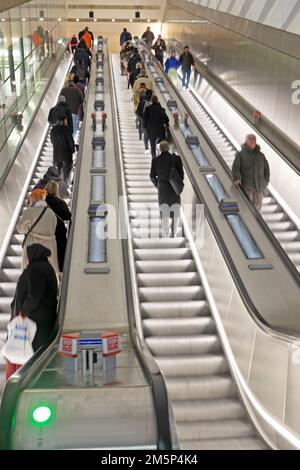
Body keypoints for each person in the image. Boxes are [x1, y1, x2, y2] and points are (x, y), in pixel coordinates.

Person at [6, 244, 58, 381]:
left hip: (34, 321)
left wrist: (24, 311)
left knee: (27, 356)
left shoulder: (36, 269)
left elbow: (35, 293)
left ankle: (22, 382)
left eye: (27, 256)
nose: (27, 259)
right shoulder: (48, 268)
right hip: (44, 320)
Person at [17, 190, 59, 274]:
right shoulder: (52, 214)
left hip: (33, 248)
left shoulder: (29, 212)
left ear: (33, 199)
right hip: (50, 248)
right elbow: (53, 229)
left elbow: (20, 229)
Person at [150, 141, 184, 238]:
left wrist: (158, 185)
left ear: (160, 149)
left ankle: (166, 233)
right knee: (175, 210)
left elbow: (152, 176)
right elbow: (181, 174)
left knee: (164, 210)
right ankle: (173, 233)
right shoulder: (176, 159)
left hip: (163, 188)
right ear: (168, 148)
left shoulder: (155, 161)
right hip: (174, 188)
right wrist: (178, 183)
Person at [232, 134, 270, 212]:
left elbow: (267, 170)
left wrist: (265, 183)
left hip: (259, 189)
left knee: (257, 211)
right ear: (246, 141)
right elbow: (235, 168)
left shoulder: (261, 156)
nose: (252, 141)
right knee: (246, 209)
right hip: (247, 188)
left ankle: (255, 223)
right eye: (250, 139)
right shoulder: (240, 155)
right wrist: (237, 178)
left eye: (254, 139)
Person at [45, 181, 71, 272]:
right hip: (59, 234)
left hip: (46, 233)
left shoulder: (41, 203)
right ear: (56, 190)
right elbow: (68, 216)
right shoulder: (60, 202)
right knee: (60, 255)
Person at [50, 117, 75, 183]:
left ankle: (59, 188)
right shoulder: (66, 129)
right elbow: (71, 141)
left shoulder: (53, 130)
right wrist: (72, 150)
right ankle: (66, 187)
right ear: (64, 121)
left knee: (58, 173)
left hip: (56, 156)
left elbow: (52, 141)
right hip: (66, 155)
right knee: (66, 173)